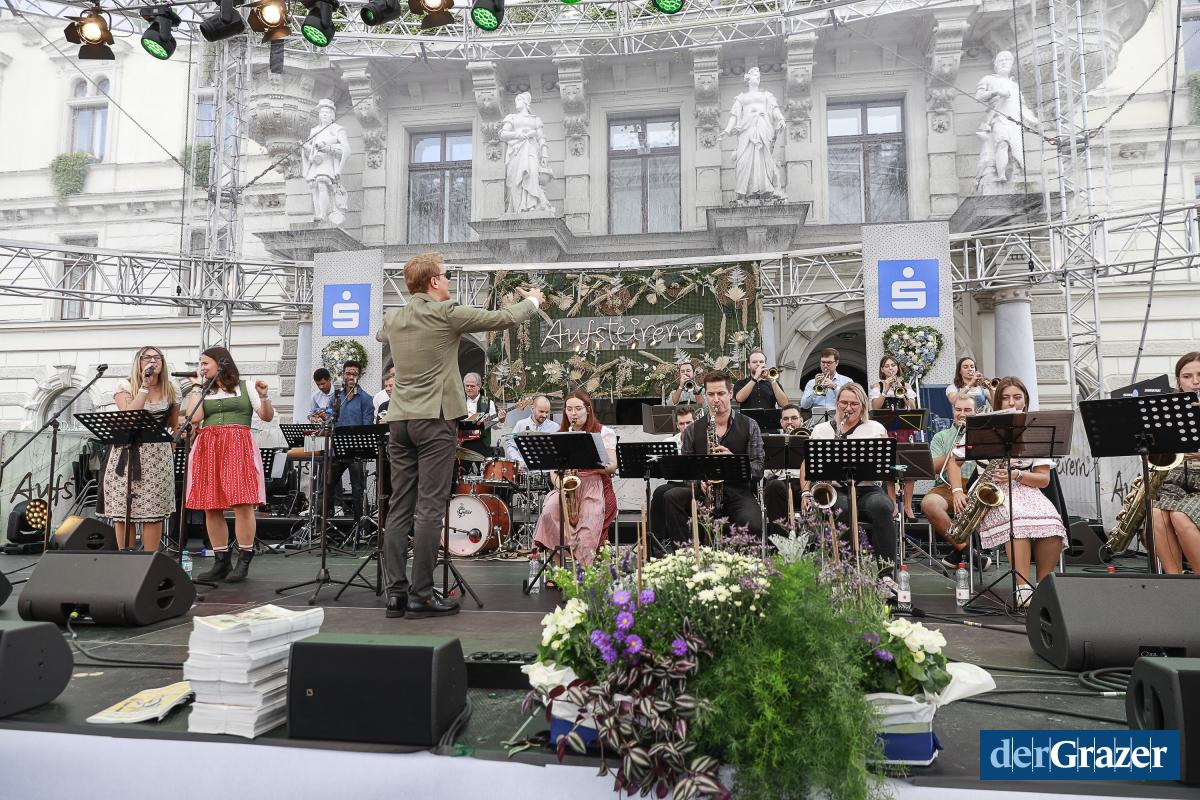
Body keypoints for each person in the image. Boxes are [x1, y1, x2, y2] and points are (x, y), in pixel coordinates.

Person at [376, 251, 543, 619]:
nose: (449, 279)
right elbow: (501, 318)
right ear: (434, 281)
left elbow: (380, 334)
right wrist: (532, 301)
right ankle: (421, 594)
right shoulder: (445, 312)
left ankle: (395, 594)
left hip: (399, 420)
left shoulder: (394, 318)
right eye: (446, 274)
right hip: (434, 420)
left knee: (400, 505)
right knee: (430, 507)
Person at [976, 376, 1067, 608]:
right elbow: (959, 461)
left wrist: (1016, 475)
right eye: (1005, 398)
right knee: (1017, 520)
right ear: (998, 402)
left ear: (1025, 401)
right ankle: (1022, 588)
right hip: (993, 491)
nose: (1011, 402)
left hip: (1026, 488)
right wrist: (958, 490)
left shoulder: (1038, 431)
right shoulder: (985, 428)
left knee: (1053, 524)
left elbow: (1044, 480)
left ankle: (1044, 587)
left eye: (1017, 397)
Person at [186, 347, 274, 582]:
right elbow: (194, 418)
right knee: (211, 505)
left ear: (221, 363)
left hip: (237, 445)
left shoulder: (246, 386)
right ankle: (221, 562)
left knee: (242, 503)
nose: (202, 367)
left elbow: (266, 416)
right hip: (209, 447)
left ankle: (244, 559)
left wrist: (264, 397)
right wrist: (197, 387)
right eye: (201, 363)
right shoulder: (204, 390)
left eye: (206, 363)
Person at [803, 383, 898, 586]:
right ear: (837, 403)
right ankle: (845, 570)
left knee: (882, 507)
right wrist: (805, 492)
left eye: (854, 404)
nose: (848, 408)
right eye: (844, 402)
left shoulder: (875, 429)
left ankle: (886, 575)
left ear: (863, 406)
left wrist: (892, 498)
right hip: (835, 489)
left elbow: (889, 466)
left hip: (867, 488)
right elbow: (806, 463)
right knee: (841, 508)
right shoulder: (821, 430)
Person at [662, 371, 764, 543]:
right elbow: (686, 472)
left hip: (737, 491)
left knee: (753, 525)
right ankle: (685, 552)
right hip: (704, 493)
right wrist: (698, 483)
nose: (716, 400)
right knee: (671, 496)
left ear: (730, 394)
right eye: (710, 394)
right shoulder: (692, 430)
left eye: (721, 393)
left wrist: (734, 462)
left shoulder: (750, 425)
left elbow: (758, 469)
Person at [96, 346, 179, 551]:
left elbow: (173, 425)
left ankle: (150, 561)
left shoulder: (171, 388)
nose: (153, 361)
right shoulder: (125, 385)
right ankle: (126, 560)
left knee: (153, 512)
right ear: (138, 363)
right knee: (124, 512)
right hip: (126, 453)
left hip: (157, 456)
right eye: (147, 357)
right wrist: (144, 387)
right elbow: (129, 418)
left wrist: (172, 447)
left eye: (157, 357)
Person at [531, 391, 618, 569]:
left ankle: (585, 572)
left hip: (594, 486)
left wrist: (588, 461)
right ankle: (559, 571)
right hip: (567, 487)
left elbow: (612, 466)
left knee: (587, 530)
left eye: (578, 408)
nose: (573, 413)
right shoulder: (560, 434)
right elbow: (553, 471)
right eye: (569, 409)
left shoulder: (604, 432)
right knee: (548, 514)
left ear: (588, 409)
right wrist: (561, 485)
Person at [920, 393, 991, 572]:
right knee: (929, 504)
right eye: (958, 409)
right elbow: (932, 468)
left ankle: (958, 552)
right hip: (947, 486)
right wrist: (955, 451)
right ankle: (967, 550)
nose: (962, 414)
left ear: (976, 412)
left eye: (967, 410)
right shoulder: (942, 436)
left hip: (978, 486)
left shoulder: (985, 435)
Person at [1150, 352, 1200, 574]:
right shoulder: (1168, 411)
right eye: (1187, 376)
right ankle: (1174, 582)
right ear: (1178, 381)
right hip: (1176, 482)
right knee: (1156, 515)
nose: (1195, 382)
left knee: (1180, 516)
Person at [870, 355, 919, 519]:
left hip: (905, 431)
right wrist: (886, 389)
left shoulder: (906, 385)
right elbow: (875, 407)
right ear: (882, 370)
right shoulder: (877, 386)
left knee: (909, 468)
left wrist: (903, 393)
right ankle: (893, 506)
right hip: (886, 432)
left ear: (897, 368)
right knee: (889, 468)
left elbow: (913, 408)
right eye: (887, 366)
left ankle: (908, 506)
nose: (890, 368)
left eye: (893, 365)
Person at [325, 360, 374, 524]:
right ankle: (323, 525)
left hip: (356, 451)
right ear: (343, 375)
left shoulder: (366, 399)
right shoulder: (336, 397)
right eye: (348, 373)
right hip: (337, 450)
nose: (351, 376)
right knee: (327, 486)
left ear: (359, 376)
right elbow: (329, 418)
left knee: (357, 489)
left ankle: (359, 527)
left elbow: (367, 427)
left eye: (354, 374)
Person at [649, 405, 695, 550]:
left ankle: (681, 546)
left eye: (689, 423)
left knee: (666, 493)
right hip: (675, 482)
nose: (685, 427)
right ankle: (657, 541)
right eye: (681, 423)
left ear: (695, 422)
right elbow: (659, 468)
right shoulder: (669, 442)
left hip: (694, 484)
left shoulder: (701, 439)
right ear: (677, 425)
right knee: (659, 492)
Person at [763, 404, 805, 537]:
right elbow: (765, 474)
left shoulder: (811, 438)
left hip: (804, 483)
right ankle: (779, 540)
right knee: (773, 486)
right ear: (781, 422)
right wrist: (775, 463)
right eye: (786, 419)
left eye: (794, 418)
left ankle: (811, 541)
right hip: (780, 483)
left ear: (801, 420)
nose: (790, 422)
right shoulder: (772, 441)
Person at [799, 347, 852, 425]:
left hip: (840, 421)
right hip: (817, 423)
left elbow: (850, 400)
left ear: (836, 363)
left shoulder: (847, 381)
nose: (825, 366)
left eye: (829, 363)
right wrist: (815, 389)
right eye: (823, 362)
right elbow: (804, 405)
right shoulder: (811, 383)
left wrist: (834, 387)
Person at [505, 395, 558, 468]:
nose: (544, 415)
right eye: (541, 411)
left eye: (547, 412)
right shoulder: (521, 424)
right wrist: (519, 460)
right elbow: (511, 446)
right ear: (532, 409)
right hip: (526, 469)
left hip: (548, 469)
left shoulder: (555, 427)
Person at [461, 371, 505, 458]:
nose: (469, 388)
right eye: (467, 386)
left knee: (483, 466)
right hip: (462, 442)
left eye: (472, 386)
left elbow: (494, 426)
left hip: (481, 443)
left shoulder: (487, 402)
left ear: (479, 386)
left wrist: (501, 419)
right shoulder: (460, 401)